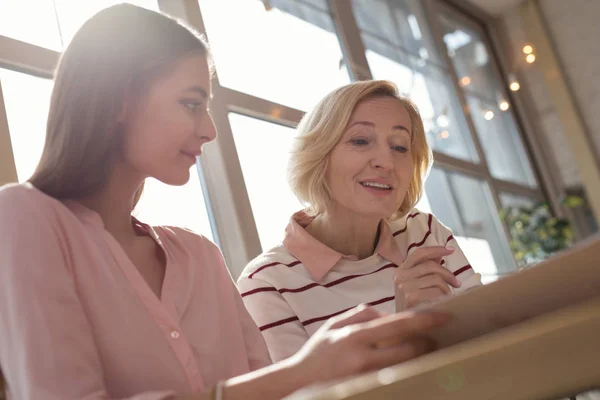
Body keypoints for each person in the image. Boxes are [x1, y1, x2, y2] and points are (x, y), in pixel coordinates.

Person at [0, 5, 452, 400]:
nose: (209, 131)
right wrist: (306, 370)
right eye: (191, 103)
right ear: (121, 98)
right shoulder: (23, 217)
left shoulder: (200, 255)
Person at [238, 80, 482, 363]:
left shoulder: (424, 232)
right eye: (360, 141)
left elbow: (492, 335)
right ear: (319, 156)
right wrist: (402, 326)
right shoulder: (267, 283)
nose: (386, 162)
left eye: (400, 147)